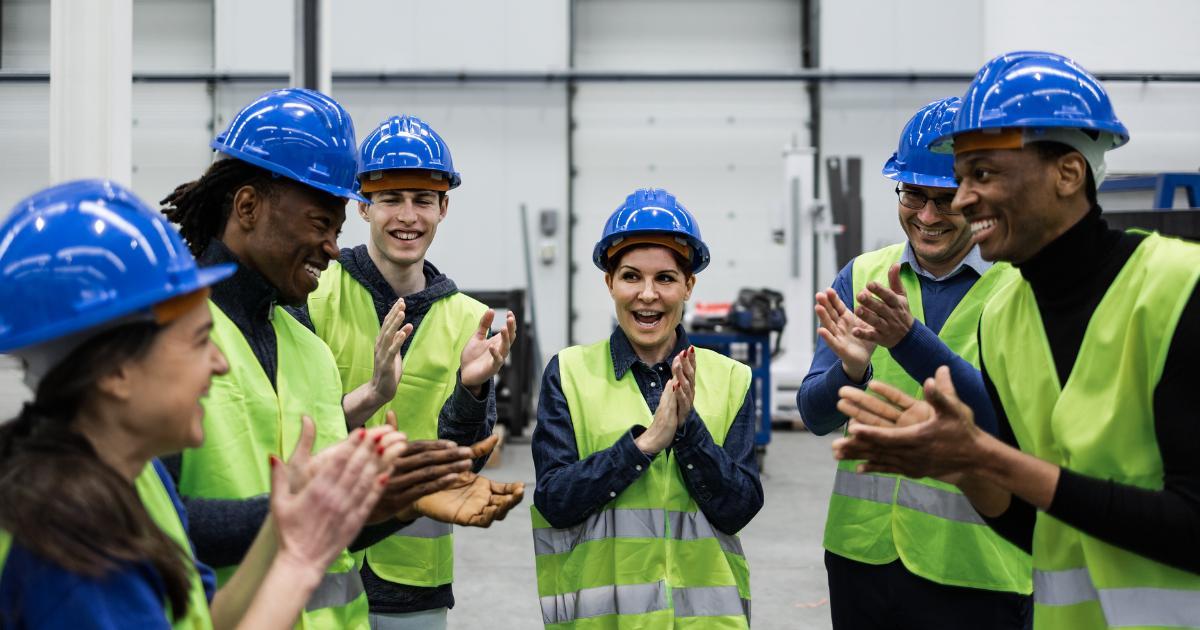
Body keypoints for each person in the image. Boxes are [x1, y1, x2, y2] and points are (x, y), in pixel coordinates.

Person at [834, 51, 1200, 629]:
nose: (961, 199)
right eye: (960, 178)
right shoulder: (1006, 315)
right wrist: (962, 467)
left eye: (983, 174)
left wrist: (989, 458)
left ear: (1068, 173)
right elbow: (1031, 524)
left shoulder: (1179, 289)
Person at [0, 179, 405, 628]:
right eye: (197, 341)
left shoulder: (137, 479)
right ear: (114, 370)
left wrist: (288, 524)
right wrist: (300, 560)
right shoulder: (68, 540)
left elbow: (204, 619)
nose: (219, 361)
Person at [159, 88, 488, 628]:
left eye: (337, 231)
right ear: (247, 207)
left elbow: (328, 533)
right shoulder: (165, 336)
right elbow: (145, 520)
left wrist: (401, 504)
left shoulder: (306, 349)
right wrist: (297, 515)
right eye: (319, 225)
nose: (334, 248)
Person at [798, 97, 1030, 628]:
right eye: (912, 195)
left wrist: (907, 340)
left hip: (979, 567)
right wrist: (850, 372)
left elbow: (1010, 422)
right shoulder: (862, 275)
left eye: (944, 199)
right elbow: (814, 417)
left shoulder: (1022, 285)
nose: (925, 216)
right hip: (863, 557)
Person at [293, 114, 523, 629]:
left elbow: (467, 465)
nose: (407, 216)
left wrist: (472, 390)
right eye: (391, 198)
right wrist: (370, 395)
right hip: (318, 564)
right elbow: (287, 430)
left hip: (413, 581)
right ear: (362, 205)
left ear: (444, 207)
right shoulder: (313, 292)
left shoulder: (469, 319)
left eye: (423, 200)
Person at [531, 188, 763, 628]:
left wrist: (688, 429)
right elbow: (555, 501)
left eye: (666, 279)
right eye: (632, 276)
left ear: (688, 286)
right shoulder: (569, 373)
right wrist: (644, 447)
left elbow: (740, 508)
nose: (647, 294)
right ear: (610, 283)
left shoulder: (732, 379)